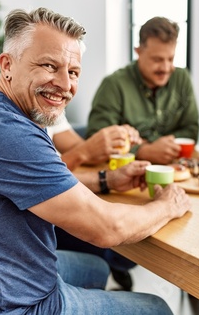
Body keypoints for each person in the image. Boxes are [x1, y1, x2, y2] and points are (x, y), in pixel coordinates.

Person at [0, 7, 191, 315]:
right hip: (6, 305)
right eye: (49, 66)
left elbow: (38, 185)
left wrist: (107, 180)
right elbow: (107, 228)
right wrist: (168, 205)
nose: (65, 84)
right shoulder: (7, 133)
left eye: (73, 72)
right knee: (156, 308)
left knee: (95, 268)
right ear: (7, 65)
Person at [86, 16, 199, 165]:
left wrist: (153, 144)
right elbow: (96, 139)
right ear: (138, 52)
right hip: (125, 173)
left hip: (175, 167)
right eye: (157, 60)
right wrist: (144, 150)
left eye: (171, 59)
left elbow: (191, 129)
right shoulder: (113, 85)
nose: (166, 68)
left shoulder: (182, 78)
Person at [47, 114, 139, 290]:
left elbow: (78, 148)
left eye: (75, 83)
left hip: (58, 196)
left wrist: (111, 143)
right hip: (42, 221)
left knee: (119, 241)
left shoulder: (50, 109)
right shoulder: (13, 123)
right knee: (115, 237)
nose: (67, 86)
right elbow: (42, 178)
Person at [47, 112, 141, 170]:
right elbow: (39, 174)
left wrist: (117, 142)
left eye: (74, 78)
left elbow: (77, 148)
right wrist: (85, 151)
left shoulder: (52, 111)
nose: (67, 85)